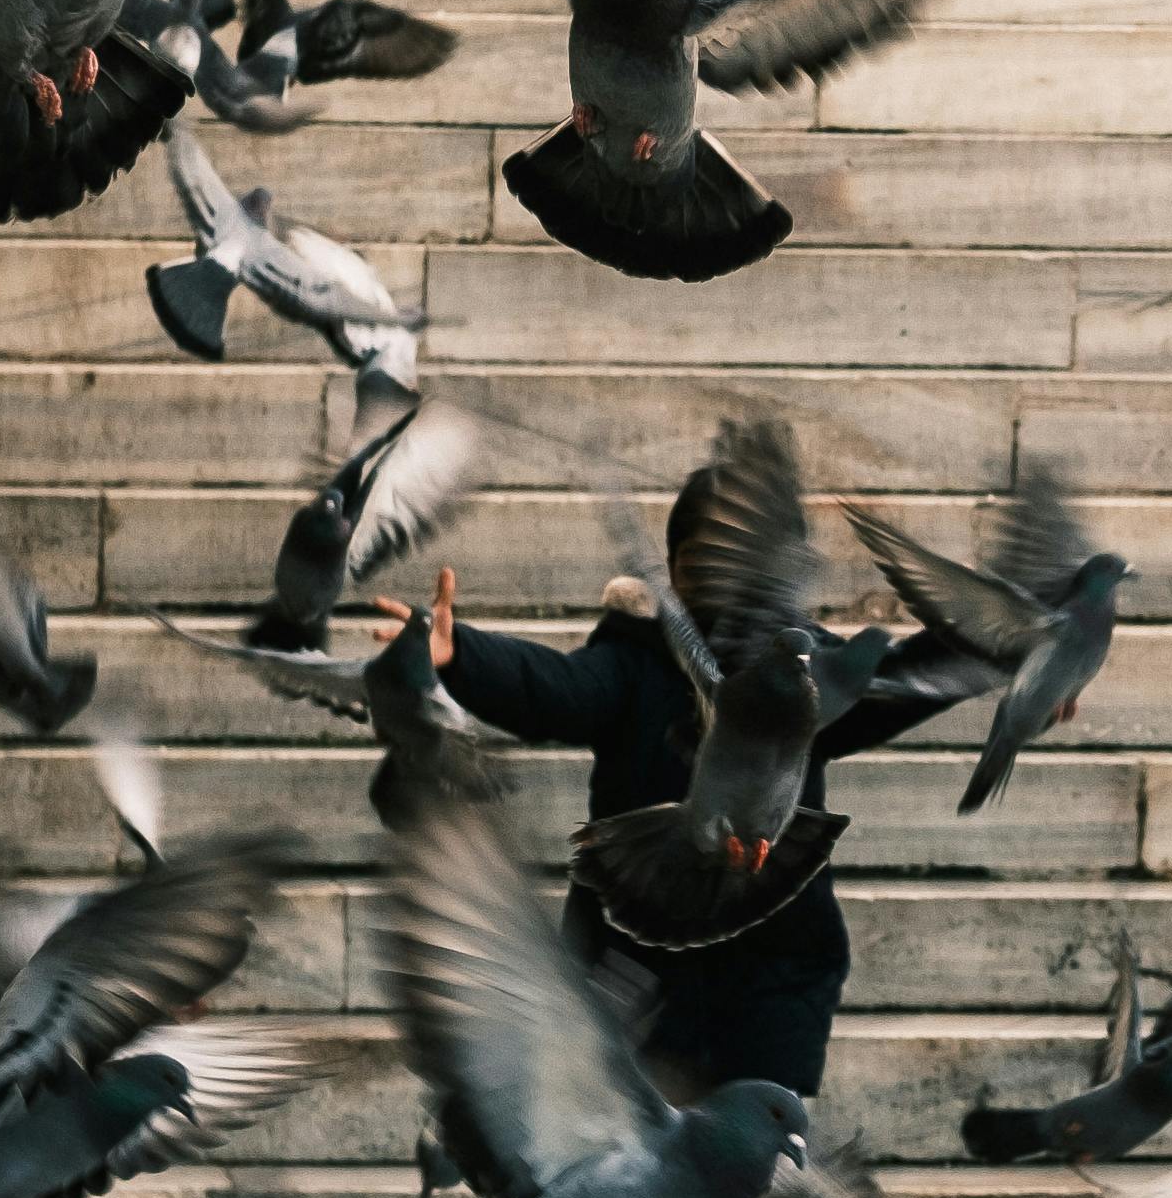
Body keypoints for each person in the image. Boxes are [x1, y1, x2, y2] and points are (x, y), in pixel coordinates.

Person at [379, 467, 957, 1104]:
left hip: (774, 969)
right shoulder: (635, 657)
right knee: (639, 1167)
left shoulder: (808, 675)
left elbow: (910, 681)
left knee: (760, 1158)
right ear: (677, 570)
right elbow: (553, 688)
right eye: (705, 563)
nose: (726, 586)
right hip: (639, 968)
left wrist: (1030, 650)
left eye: (742, 567)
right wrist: (461, 654)